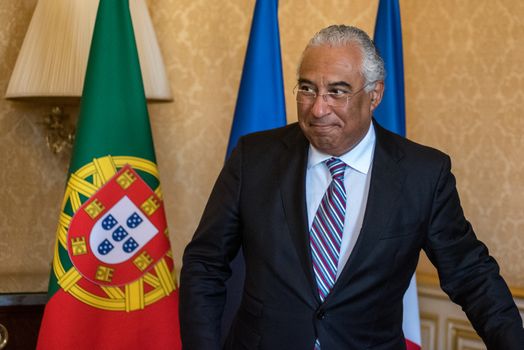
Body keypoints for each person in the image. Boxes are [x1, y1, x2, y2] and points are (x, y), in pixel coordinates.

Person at [179, 25, 524, 350]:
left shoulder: (423, 174)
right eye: (307, 88)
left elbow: (471, 275)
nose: (317, 108)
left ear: (374, 95)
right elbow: (205, 264)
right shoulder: (254, 158)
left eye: (337, 92)